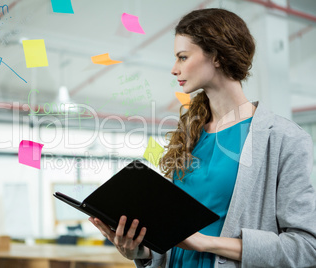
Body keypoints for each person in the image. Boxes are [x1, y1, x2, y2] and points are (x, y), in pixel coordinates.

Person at [89, 8, 316, 267]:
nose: (174, 69)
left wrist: (205, 242)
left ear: (217, 56)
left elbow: (307, 247)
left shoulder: (284, 139)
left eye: (183, 57)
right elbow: (175, 240)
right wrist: (140, 253)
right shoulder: (189, 134)